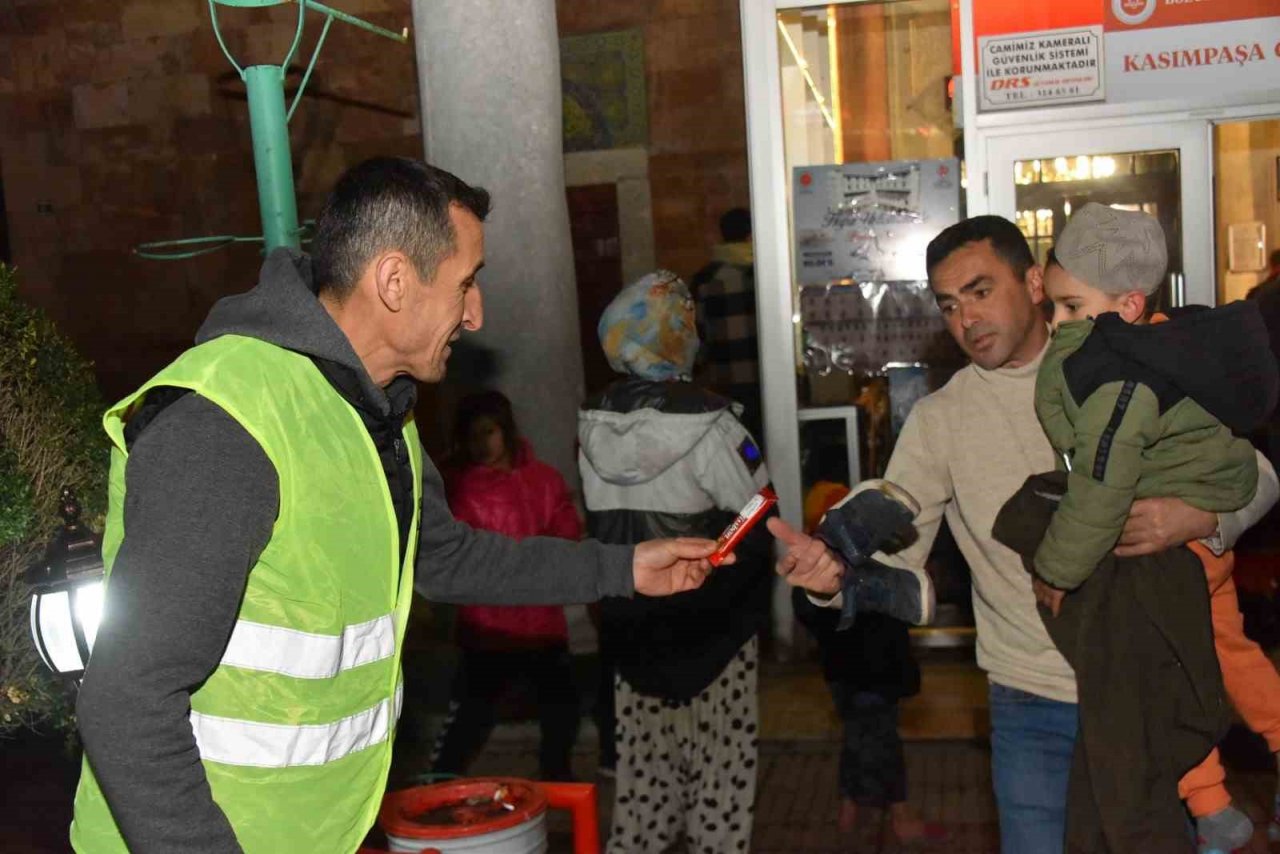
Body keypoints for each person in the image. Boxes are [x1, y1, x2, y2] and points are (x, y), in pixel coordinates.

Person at [70, 157, 731, 854]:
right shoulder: (228, 425)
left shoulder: (376, 412)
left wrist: (623, 568)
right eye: (466, 283)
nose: (476, 313)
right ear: (393, 281)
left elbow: (444, 557)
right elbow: (127, 701)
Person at [767, 214, 1280, 854]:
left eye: (981, 292)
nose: (966, 319)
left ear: (1035, 282)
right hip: (1029, 701)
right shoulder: (941, 419)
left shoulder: (1127, 358)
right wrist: (831, 573)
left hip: (1148, 689)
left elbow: (1255, 472)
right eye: (949, 305)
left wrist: (1204, 519)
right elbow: (897, 538)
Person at [1024, 203, 1279, 852]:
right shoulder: (1177, 346)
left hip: (1173, 558)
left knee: (1155, 680)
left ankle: (1212, 806)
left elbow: (1102, 482)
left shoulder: (1119, 373)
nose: (1057, 324)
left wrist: (1056, 569)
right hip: (1204, 552)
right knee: (1228, 655)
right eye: (1053, 307)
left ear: (1129, 304)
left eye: (1071, 308)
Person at [578, 270, 773, 854]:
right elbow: (757, 511)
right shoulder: (714, 424)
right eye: (686, 319)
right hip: (714, 632)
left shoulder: (592, 424)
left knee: (643, 792)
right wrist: (719, 557)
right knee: (720, 786)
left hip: (633, 631)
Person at [429, 390, 584, 782]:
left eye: (489, 432)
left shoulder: (542, 481)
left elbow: (567, 536)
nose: (482, 444)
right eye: (473, 436)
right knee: (469, 719)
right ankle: (437, 785)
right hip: (487, 626)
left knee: (561, 712)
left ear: (506, 431)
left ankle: (557, 785)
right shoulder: (455, 485)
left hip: (540, 623)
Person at [792, 480, 941, 847]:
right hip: (873, 673)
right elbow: (894, 613)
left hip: (844, 672)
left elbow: (808, 614)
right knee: (880, 740)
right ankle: (899, 812)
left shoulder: (820, 567)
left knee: (857, 737)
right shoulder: (861, 559)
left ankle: (849, 805)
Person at [691, 207, 763, 440]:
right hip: (766, 378)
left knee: (737, 449)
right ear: (751, 234)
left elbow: (697, 335)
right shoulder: (763, 272)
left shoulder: (705, 278)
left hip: (724, 381)